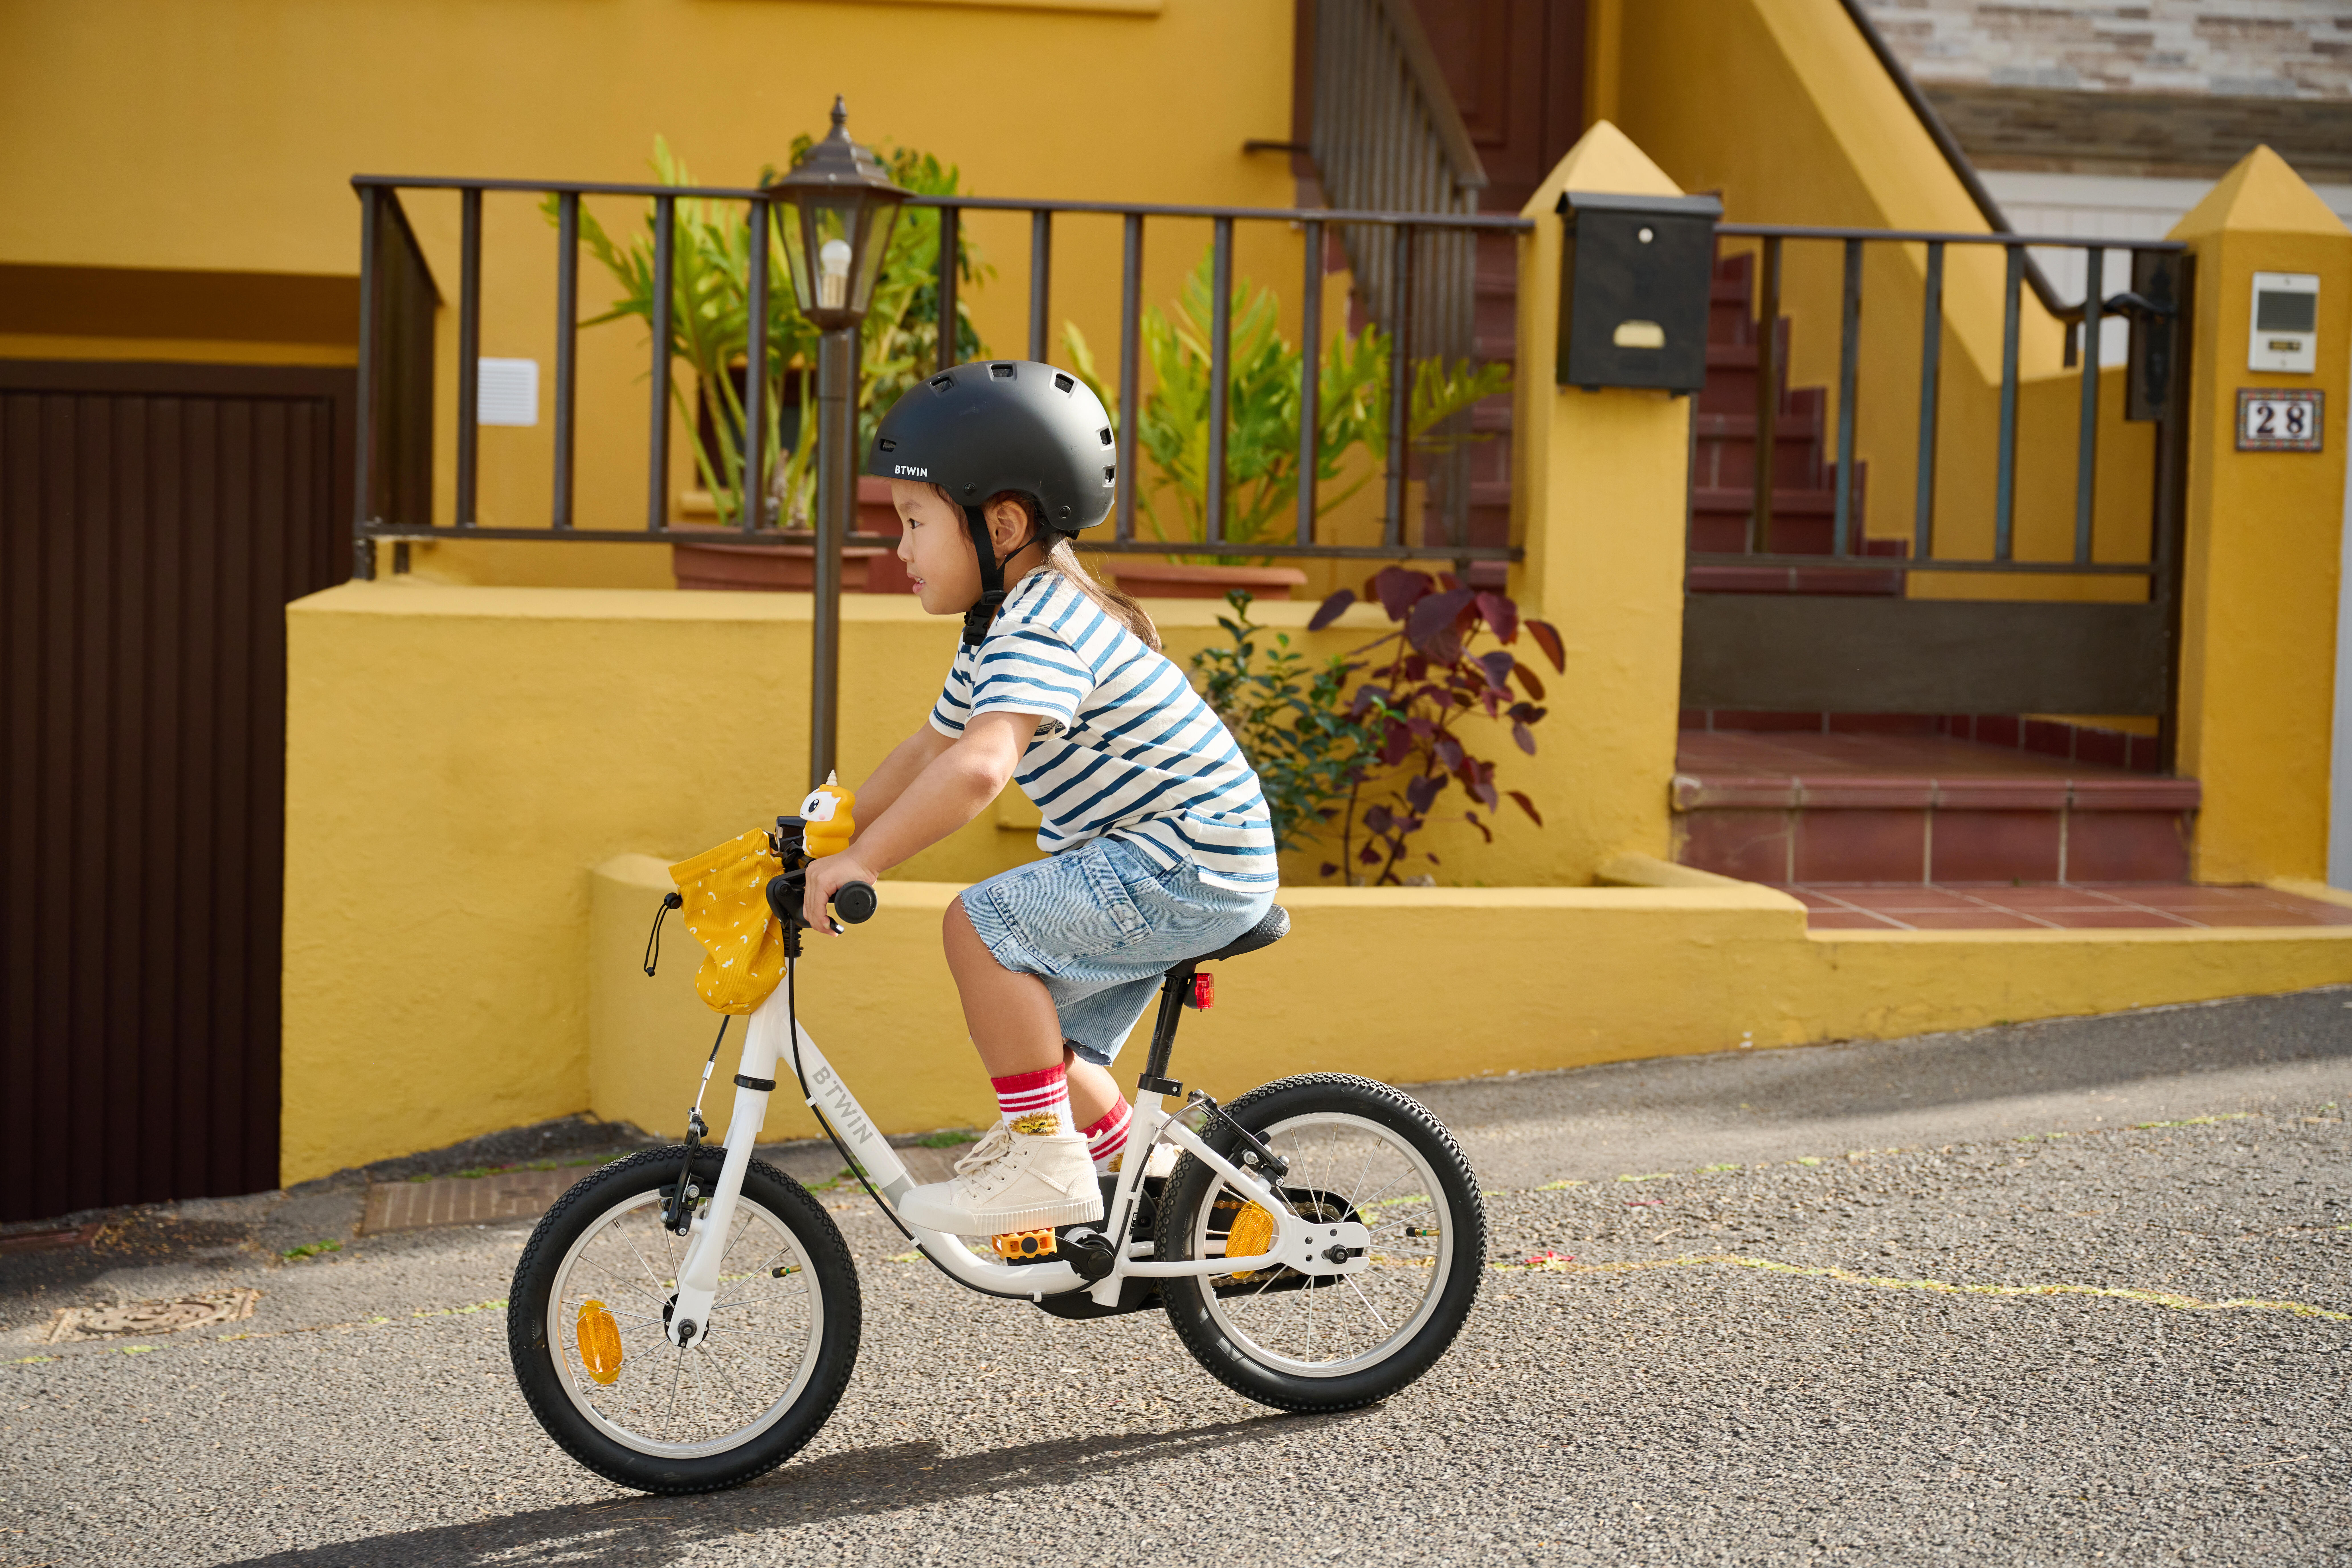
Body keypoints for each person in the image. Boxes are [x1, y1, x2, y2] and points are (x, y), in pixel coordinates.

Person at [800, 360, 1276, 1238]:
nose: (900, 549)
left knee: (978, 928)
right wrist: (818, 837)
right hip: (1174, 853)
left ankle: (1047, 1166)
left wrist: (865, 861)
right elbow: (930, 748)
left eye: (914, 522)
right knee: (1038, 1036)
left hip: (1189, 852)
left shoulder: (1044, 623)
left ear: (1004, 525)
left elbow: (980, 767)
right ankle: (1164, 1193)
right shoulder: (997, 628)